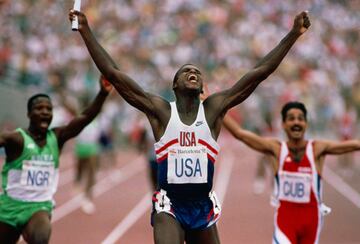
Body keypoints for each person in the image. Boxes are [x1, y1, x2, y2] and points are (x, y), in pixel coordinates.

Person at [69, 8, 310, 244]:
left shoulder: (214, 109)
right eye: (186, 72)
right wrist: (86, 30)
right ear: (175, 85)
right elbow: (114, 73)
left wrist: (293, 34)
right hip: (169, 206)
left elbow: (259, 73)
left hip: (202, 207)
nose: (193, 72)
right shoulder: (162, 111)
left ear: (203, 86)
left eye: (197, 72)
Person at [223, 101, 360, 244]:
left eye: (300, 118)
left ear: (306, 124)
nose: (296, 122)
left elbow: (355, 145)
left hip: (311, 224)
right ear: (283, 124)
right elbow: (240, 133)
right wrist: (215, 107)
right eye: (291, 118)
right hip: (285, 222)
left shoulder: (317, 149)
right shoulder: (276, 149)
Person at [0, 76, 112, 244]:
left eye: (49, 109)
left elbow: (85, 117)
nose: (45, 112)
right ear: (29, 114)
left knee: (41, 238)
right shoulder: (16, 139)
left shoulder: (57, 137)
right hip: (9, 208)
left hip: (39, 207)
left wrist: (102, 94)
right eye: (39, 108)